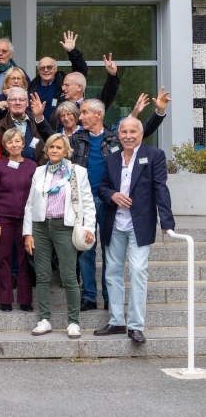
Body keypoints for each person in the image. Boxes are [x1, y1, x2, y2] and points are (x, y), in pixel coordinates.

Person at [94, 117, 175, 344]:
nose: (128, 136)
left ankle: (136, 326)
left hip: (141, 223)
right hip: (114, 223)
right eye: (124, 132)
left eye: (133, 132)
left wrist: (166, 221)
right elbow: (102, 188)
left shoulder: (154, 155)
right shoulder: (112, 158)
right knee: (112, 272)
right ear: (119, 135)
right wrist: (112, 195)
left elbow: (160, 187)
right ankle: (117, 321)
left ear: (141, 134)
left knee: (138, 271)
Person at [23, 133, 96, 339]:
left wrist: (89, 227)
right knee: (43, 276)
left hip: (65, 226)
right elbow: (29, 203)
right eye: (51, 147)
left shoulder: (77, 172)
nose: (54, 150)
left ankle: (73, 322)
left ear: (66, 151)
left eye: (58, 147)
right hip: (40, 227)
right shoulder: (38, 172)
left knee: (69, 276)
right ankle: (44, 319)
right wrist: (27, 233)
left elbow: (88, 202)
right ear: (46, 150)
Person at [0, 128, 38, 311]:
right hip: (4, 218)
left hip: (26, 219)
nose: (14, 145)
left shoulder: (32, 166)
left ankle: (25, 300)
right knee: (4, 258)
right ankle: (5, 299)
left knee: (25, 257)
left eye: (17, 141)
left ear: (23, 144)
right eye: (10, 142)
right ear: (5, 145)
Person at [27, 31, 88, 120]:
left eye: (49, 67)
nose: (46, 70)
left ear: (56, 69)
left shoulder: (63, 82)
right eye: (42, 68)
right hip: (37, 128)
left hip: (59, 128)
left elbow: (80, 72)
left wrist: (72, 52)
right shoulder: (33, 86)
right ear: (38, 70)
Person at [0, 87, 45, 163]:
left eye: (22, 100)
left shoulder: (38, 122)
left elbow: (48, 145)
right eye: (13, 100)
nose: (17, 103)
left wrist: (38, 169)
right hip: (11, 173)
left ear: (27, 103)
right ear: (7, 102)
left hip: (38, 171)